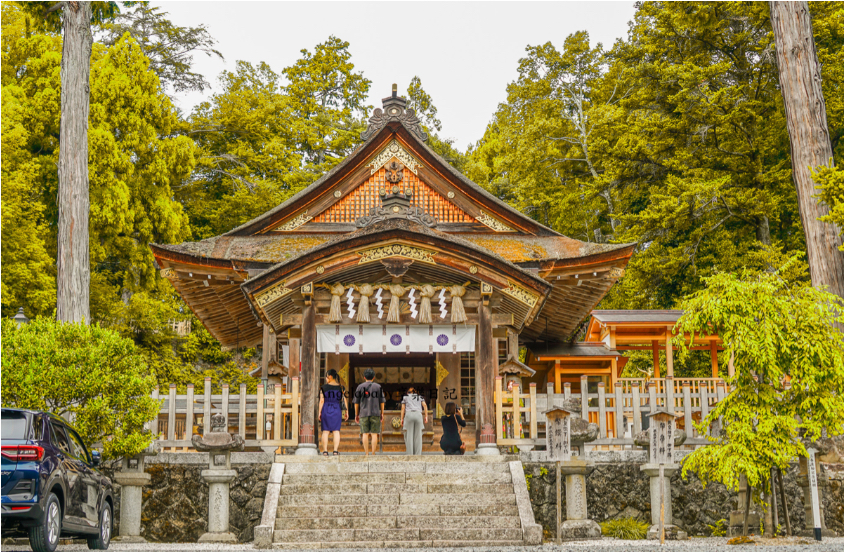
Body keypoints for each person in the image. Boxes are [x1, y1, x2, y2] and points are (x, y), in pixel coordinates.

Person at [354, 368, 384, 456]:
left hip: (363, 413)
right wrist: (382, 413)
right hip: (375, 413)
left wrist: (356, 414)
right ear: (374, 377)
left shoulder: (359, 387)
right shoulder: (378, 387)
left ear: (364, 377)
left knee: (365, 433)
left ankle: (366, 453)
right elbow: (382, 402)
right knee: (374, 433)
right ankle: (373, 453)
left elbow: (356, 403)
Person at [318, 369, 348, 456]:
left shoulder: (323, 388)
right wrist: (347, 411)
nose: (326, 379)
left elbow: (321, 401)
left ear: (330, 377)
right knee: (336, 431)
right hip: (336, 409)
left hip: (326, 408)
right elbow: (344, 400)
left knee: (325, 431)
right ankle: (335, 451)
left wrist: (319, 412)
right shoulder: (341, 388)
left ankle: (325, 451)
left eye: (327, 377)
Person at [400, 386, 428, 455]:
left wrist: (401, 418)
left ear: (407, 392)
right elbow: (425, 405)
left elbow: (403, 408)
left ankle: (410, 454)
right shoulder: (420, 397)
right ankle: (418, 454)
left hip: (409, 415)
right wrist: (426, 416)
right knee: (418, 436)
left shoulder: (405, 397)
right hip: (418, 415)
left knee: (409, 435)